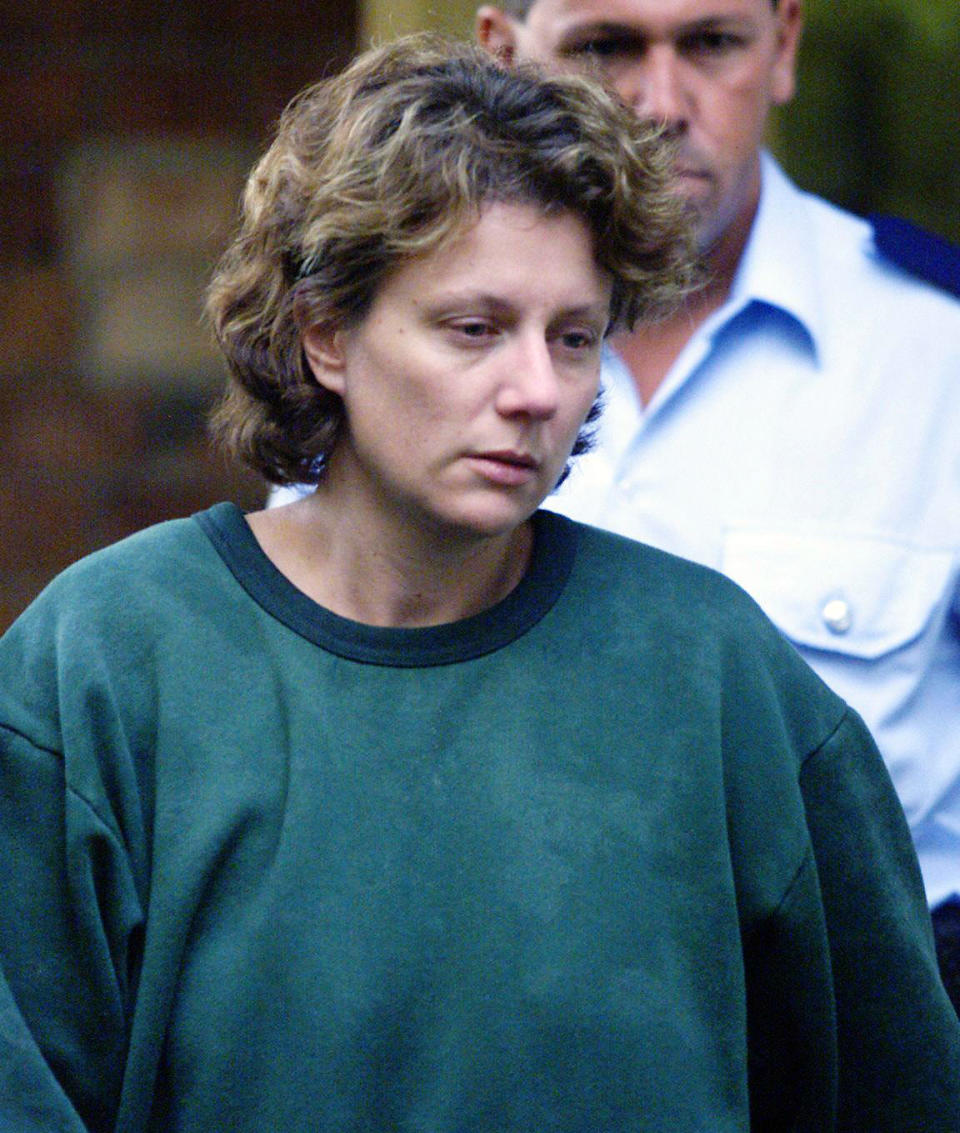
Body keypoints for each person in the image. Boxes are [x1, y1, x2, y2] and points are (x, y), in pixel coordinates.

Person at [1, 33, 958, 1132]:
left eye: (575, 337)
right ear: (325, 333)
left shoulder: (718, 674)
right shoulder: (108, 662)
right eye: (475, 329)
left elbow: (897, 1090)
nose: (535, 390)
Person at [471, 0, 960, 1009]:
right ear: (503, 55)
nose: (660, 103)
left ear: (782, 44)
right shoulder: (403, 355)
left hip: (865, 1024)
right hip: (494, 1018)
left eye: (710, 44)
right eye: (605, 47)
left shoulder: (933, 356)